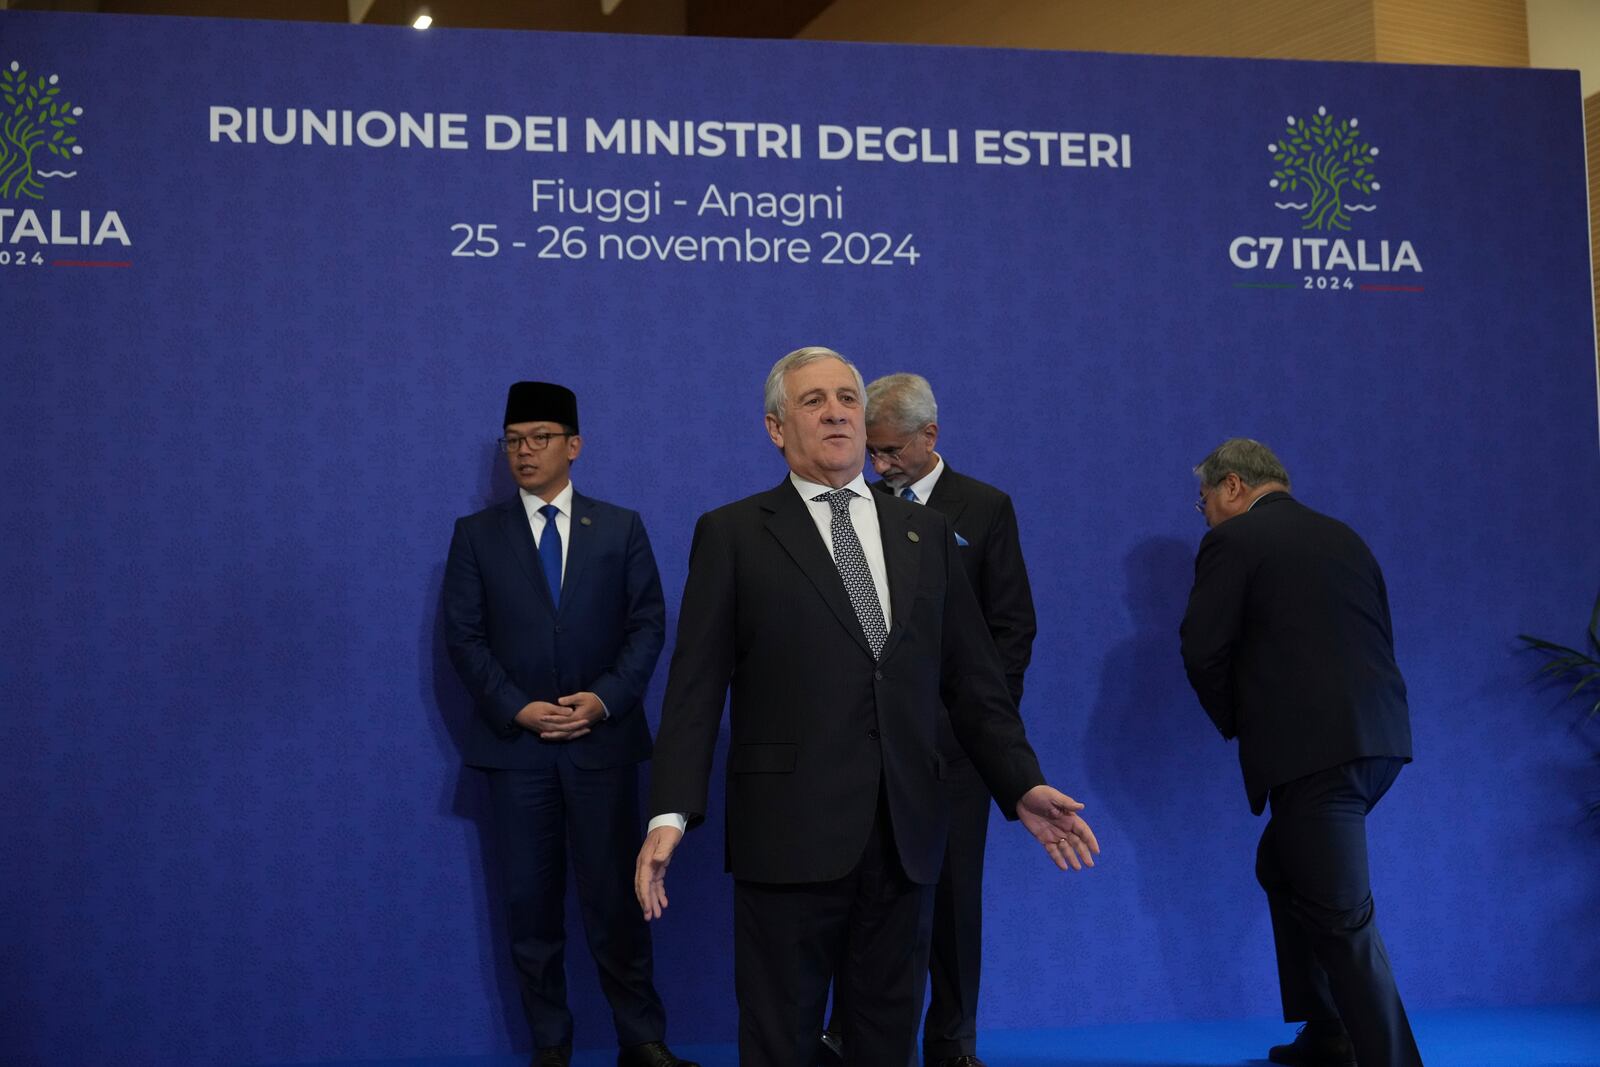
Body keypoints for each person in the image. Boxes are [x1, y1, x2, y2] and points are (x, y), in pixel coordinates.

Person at [634, 347, 1098, 1067]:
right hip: (789, 835)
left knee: (885, 1041)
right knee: (783, 1042)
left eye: (847, 398)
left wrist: (1020, 782)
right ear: (775, 427)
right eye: (814, 400)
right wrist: (670, 810)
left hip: (904, 835)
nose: (837, 412)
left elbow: (975, 683)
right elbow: (694, 686)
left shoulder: (926, 533)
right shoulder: (732, 532)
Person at [443, 381, 697, 1067]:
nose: (525, 452)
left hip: (602, 747)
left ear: (574, 445)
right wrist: (516, 706)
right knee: (531, 907)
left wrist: (605, 698)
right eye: (514, 441)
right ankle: (550, 1045)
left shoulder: (620, 527)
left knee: (618, 899)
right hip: (516, 750)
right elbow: (463, 637)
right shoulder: (476, 535)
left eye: (540, 438)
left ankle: (641, 1039)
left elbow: (648, 625)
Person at [818, 372, 1037, 1067]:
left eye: (890, 452)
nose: (880, 465)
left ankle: (952, 1041)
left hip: (953, 751)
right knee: (866, 894)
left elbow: (1010, 632)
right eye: (873, 453)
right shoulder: (858, 509)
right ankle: (849, 1032)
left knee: (951, 900)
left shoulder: (985, 507)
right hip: (871, 750)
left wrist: (974, 731)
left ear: (930, 436)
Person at [1179, 438, 1421, 1067]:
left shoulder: (1234, 541)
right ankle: (1330, 1031)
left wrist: (1243, 724)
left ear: (1233, 486)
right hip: (1380, 743)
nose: (1201, 513)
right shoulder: (1345, 537)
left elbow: (1202, 650)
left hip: (1314, 754)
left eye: (1201, 499)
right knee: (1283, 865)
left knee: (1343, 917)